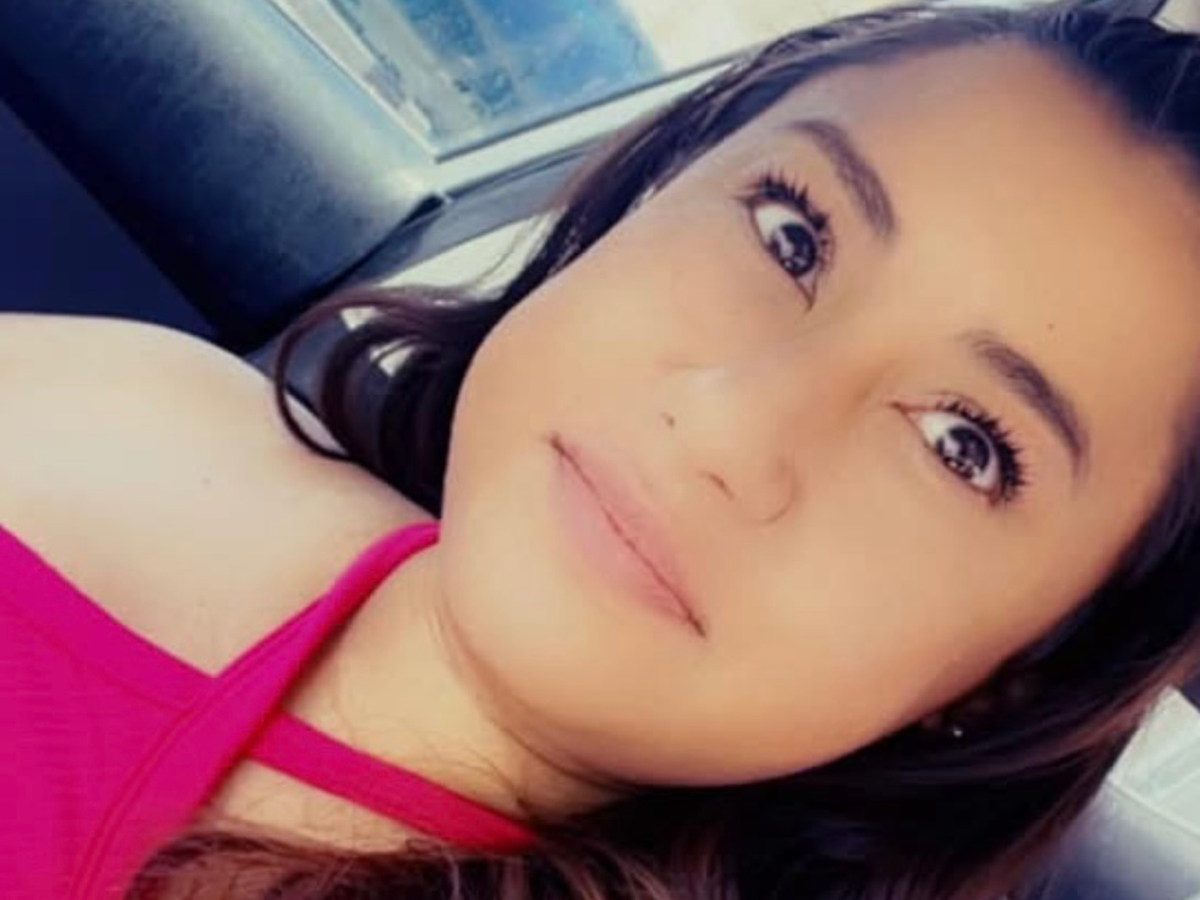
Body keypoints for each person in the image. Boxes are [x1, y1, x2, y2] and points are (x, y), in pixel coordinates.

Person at [5, 1, 1200, 898]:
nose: (731, 424)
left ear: (1022, 673)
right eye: (791, 235)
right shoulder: (141, 395)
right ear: (649, 188)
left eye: (963, 444)